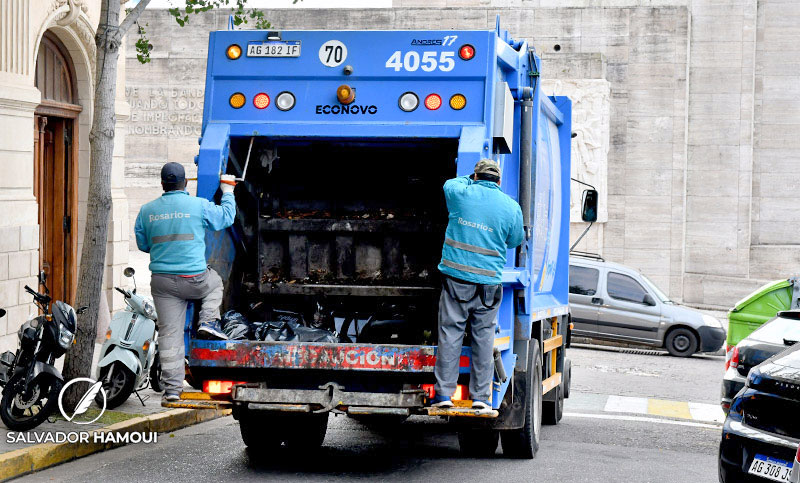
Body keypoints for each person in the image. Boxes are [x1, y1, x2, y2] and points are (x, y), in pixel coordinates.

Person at [134, 162, 237, 402]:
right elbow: (226, 218)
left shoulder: (146, 210)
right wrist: (228, 191)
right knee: (215, 281)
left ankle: (171, 391)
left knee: (170, 336)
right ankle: (209, 321)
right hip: (195, 279)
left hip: (163, 284)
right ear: (185, 183)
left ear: (162, 184)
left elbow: (143, 245)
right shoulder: (198, 206)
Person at [431, 159, 524, 414]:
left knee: (451, 334)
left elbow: (450, 184)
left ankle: (443, 395)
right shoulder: (510, 207)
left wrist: (470, 178)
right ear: (499, 182)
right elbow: (516, 239)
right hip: (488, 285)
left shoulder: (461, 192)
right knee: (483, 339)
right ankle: (481, 398)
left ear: (476, 175)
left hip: (456, 281)